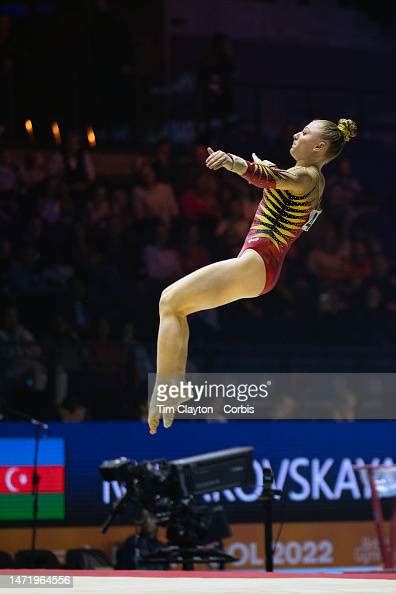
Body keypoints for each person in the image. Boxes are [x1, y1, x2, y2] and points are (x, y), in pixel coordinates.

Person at [148, 118, 358, 434]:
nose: (296, 133)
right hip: (260, 267)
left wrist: (234, 162)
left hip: (258, 261)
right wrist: (262, 173)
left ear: (318, 146)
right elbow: (277, 183)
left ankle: (168, 389)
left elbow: (273, 178)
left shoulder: (309, 176)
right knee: (176, 307)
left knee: (170, 301)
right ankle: (172, 389)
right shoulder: (303, 179)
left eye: (304, 132)